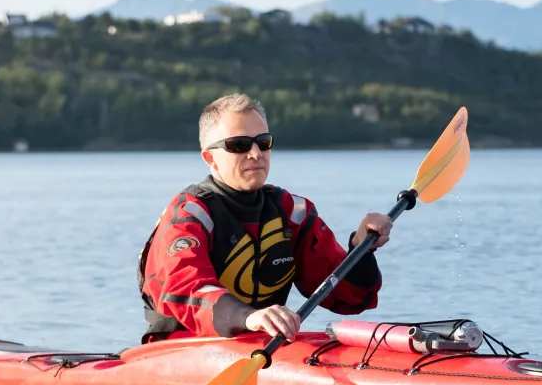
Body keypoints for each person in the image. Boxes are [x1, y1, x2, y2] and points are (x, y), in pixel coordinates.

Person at [137, 94, 391, 343]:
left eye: (263, 142)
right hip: (183, 350)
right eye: (239, 145)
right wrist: (249, 318)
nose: (256, 153)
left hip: (263, 348)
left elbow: (351, 298)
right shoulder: (189, 215)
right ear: (210, 158)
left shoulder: (292, 212)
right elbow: (185, 289)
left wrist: (361, 249)